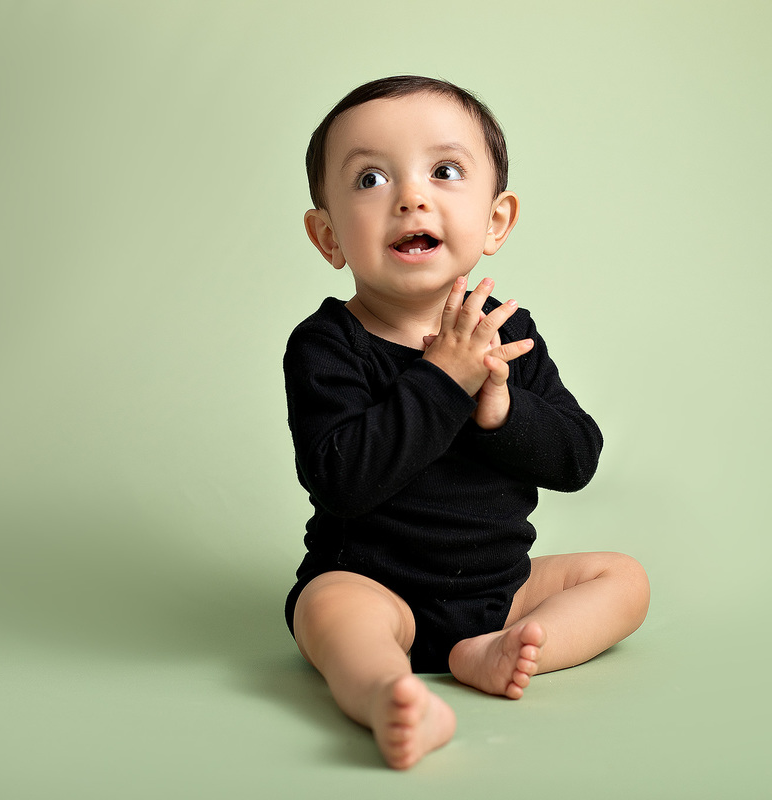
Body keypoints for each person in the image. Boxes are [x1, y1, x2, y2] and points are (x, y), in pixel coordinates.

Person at [283, 75, 650, 770]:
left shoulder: (506, 333)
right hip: (373, 585)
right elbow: (340, 480)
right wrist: (444, 381)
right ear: (328, 236)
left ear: (495, 222)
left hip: (500, 590)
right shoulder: (327, 346)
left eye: (444, 172)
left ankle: (498, 651)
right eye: (370, 179)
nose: (410, 198)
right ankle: (388, 692)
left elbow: (578, 458)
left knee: (624, 579)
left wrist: (503, 410)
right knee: (327, 610)